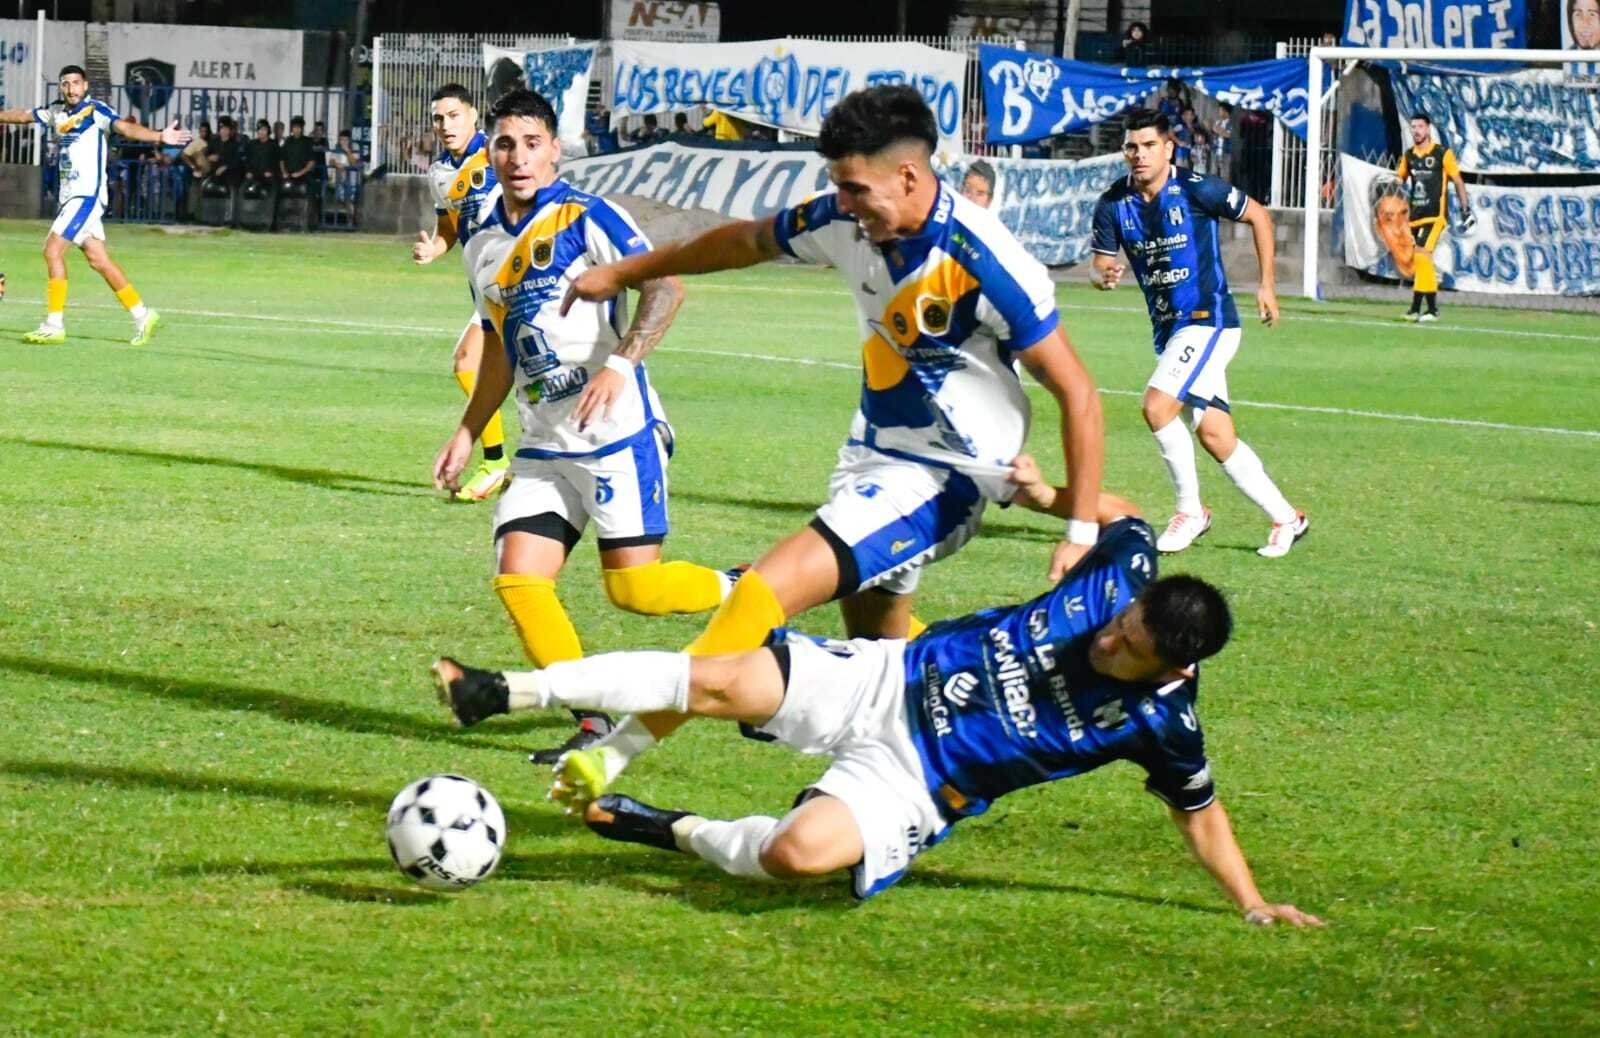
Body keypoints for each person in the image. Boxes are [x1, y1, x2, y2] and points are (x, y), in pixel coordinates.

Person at [555, 84, 1106, 803]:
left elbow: (1078, 392)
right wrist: (627, 271)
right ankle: (926, 781)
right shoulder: (846, 218)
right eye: (837, 186)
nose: (843, 203)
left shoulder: (983, 259)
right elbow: (747, 240)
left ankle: (614, 753)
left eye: (855, 188)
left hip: (947, 477)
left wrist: (1080, 530)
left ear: (907, 175)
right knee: (883, 663)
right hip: (872, 456)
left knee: (763, 592)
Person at [431, 495, 1322, 927]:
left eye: (1130, 651)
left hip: (918, 783)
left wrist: (1251, 902)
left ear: (1174, 668)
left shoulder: (1164, 725)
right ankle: (504, 691)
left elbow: (1200, 813)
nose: (1109, 642)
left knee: (795, 856)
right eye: (1121, 624)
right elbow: (1121, 517)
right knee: (719, 678)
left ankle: (668, 828)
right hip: (891, 678)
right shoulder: (1125, 574)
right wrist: (1053, 501)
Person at [430, 88, 736, 765]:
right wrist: (468, 430)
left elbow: (666, 285)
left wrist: (620, 366)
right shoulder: (482, 245)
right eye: (505, 144)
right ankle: (593, 721)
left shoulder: (588, 216)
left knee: (635, 591)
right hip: (544, 443)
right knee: (519, 577)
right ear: (490, 153)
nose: (517, 157)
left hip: (615, 435)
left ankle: (752, 592)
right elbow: (499, 348)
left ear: (555, 150)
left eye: (531, 143)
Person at [1090, 110, 1307, 559]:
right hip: (1169, 330)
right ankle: (1288, 518)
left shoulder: (1196, 189)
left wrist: (1266, 285)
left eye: (1149, 145)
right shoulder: (1113, 203)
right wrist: (1103, 275)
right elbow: (1099, 264)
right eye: (1132, 147)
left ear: (1169, 148)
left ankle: (1190, 512)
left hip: (1209, 321)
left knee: (1156, 407)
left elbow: (1259, 215)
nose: (1139, 154)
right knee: (1215, 435)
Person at [0, 64, 188, 346]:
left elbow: (125, 127)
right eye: (66, 83)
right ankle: (143, 314)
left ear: (85, 85)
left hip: (86, 196)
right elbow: (23, 116)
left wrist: (159, 136)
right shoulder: (57, 111)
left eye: (76, 83)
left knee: (52, 250)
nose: (71, 88)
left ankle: (54, 324)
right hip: (70, 198)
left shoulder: (95, 111)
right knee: (98, 260)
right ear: (61, 87)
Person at [414, 84, 513, 503]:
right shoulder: (439, 172)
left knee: (530, 376)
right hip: (485, 289)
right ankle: (497, 463)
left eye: (454, 115)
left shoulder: (498, 155)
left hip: (517, 281)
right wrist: (432, 250)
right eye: (439, 118)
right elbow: (449, 230)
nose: (445, 125)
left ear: (473, 115)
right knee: (468, 364)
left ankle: (505, 464)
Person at [1395, 112, 1473, 322]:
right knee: (1423, 261)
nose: (1416, 131)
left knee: (1421, 255)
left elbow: (1458, 180)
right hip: (1415, 216)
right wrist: (1393, 183)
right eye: (1413, 127)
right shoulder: (1409, 156)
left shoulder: (1442, 154)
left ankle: (1425, 309)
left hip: (1435, 216)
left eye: (1420, 126)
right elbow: (1399, 179)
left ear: (1428, 129)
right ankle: (1423, 310)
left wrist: (1465, 209)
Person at [278, 115, 317, 193]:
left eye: (299, 127)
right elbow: (281, 159)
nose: (296, 129)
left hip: (304, 175)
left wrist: (300, 173)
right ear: (292, 128)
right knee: (279, 191)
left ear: (302, 128)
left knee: (311, 190)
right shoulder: (287, 141)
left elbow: (312, 161)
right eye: (294, 127)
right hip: (289, 175)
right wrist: (284, 172)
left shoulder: (308, 141)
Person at [242, 118, 278, 197]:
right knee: (242, 189)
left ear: (268, 131)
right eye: (260, 130)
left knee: (273, 190)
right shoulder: (252, 144)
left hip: (268, 175)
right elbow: (247, 159)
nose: (261, 132)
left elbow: (277, 161)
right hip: (253, 174)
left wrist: (271, 171)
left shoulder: (273, 144)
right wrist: (248, 171)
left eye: (264, 130)